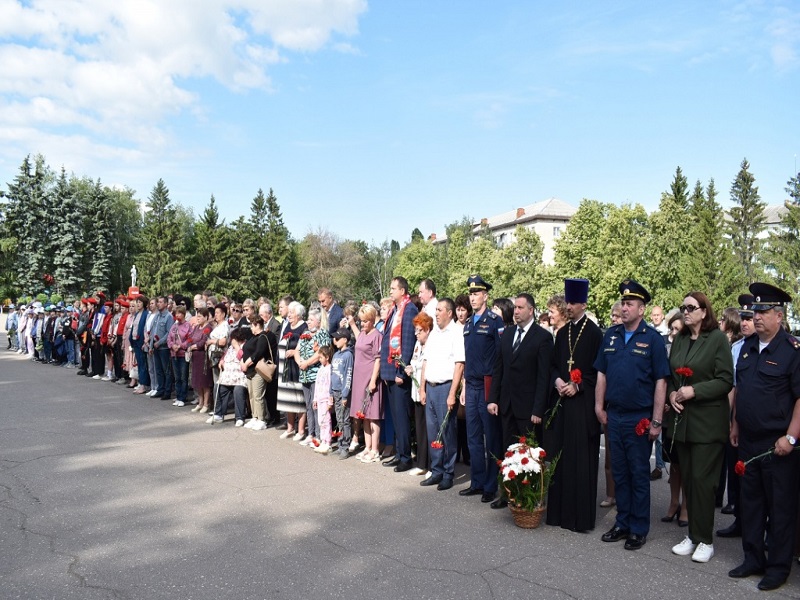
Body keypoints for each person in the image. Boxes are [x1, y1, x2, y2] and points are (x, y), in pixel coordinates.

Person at [729, 283, 800, 591]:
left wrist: (792, 437)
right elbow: (741, 391)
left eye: (763, 312)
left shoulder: (791, 350)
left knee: (780, 507)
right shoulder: (747, 347)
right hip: (748, 439)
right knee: (751, 503)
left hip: (777, 443)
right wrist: (735, 424)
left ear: (779, 316)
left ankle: (778, 566)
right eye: (754, 311)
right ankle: (753, 558)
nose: (756, 317)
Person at [595, 279, 670, 551]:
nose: (624, 308)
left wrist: (657, 420)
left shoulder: (653, 340)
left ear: (642, 309)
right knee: (620, 472)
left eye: (630, 304)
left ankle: (638, 528)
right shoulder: (611, 335)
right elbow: (601, 372)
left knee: (638, 475)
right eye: (623, 303)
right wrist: (598, 405)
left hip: (639, 417)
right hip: (614, 415)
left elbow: (661, 381)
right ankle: (622, 522)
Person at [667, 292, 734, 563]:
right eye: (683, 307)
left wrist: (695, 391)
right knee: (690, 481)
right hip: (683, 424)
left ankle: (705, 539)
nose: (686, 311)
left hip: (707, 423)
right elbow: (671, 375)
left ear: (704, 311)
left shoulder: (717, 339)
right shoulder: (681, 338)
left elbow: (725, 380)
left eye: (691, 307)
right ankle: (693, 535)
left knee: (704, 483)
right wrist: (673, 394)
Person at [545, 278, 603, 532]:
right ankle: (559, 514)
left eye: (573, 302)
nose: (568, 306)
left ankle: (579, 519)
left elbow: (597, 372)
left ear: (584, 304)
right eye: (567, 302)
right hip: (563, 403)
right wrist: (559, 380)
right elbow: (555, 364)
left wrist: (578, 385)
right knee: (562, 457)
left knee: (580, 460)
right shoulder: (562, 332)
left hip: (582, 404)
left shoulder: (593, 333)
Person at [487, 292, 554, 507]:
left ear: (531, 310)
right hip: (506, 405)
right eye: (514, 307)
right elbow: (499, 369)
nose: (515, 311)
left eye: (520, 308)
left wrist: (538, 409)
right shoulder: (507, 334)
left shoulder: (542, 337)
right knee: (508, 453)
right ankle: (507, 494)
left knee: (529, 454)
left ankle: (529, 496)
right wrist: (493, 399)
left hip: (528, 408)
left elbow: (543, 377)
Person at [459, 275, 504, 507]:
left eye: (477, 293)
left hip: (488, 386)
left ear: (485, 296)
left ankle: (490, 485)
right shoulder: (467, 324)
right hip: (472, 385)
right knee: (473, 439)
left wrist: (495, 392)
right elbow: (466, 359)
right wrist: (464, 385)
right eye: (471, 293)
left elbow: (500, 359)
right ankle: (477, 482)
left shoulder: (495, 322)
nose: (473, 297)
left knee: (491, 439)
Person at [717, 294, 756, 538]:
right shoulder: (737, 348)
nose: (745, 322)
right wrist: (729, 420)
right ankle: (739, 521)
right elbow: (731, 386)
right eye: (743, 317)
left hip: (762, 425)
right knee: (736, 470)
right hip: (737, 419)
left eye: (750, 317)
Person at [419, 298, 465, 491]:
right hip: (430, 387)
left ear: (450, 313)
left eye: (439, 310)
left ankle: (448, 473)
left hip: (445, 387)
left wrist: (452, 393)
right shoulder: (435, 333)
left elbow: (459, 364)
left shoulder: (456, 333)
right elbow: (426, 361)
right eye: (436, 310)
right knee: (433, 432)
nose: (436, 313)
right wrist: (422, 388)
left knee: (447, 432)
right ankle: (436, 470)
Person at [379, 276, 419, 473]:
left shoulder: (409, 309)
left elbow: (408, 342)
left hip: (399, 371)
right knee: (395, 416)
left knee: (402, 417)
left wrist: (402, 371)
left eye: (394, 288)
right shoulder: (395, 309)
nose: (391, 291)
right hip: (390, 371)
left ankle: (405, 457)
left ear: (403, 291)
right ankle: (399, 452)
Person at [350, 304, 384, 464]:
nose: (362, 324)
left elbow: (378, 358)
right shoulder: (363, 333)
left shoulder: (377, 335)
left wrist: (373, 380)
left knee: (373, 416)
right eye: (360, 321)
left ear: (371, 320)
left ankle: (375, 449)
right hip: (359, 378)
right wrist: (352, 324)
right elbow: (359, 341)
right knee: (362, 415)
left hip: (370, 378)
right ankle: (367, 447)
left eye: (364, 321)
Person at [296, 308, 330, 446]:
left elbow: (321, 352)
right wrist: (300, 362)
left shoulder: (322, 333)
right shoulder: (304, 333)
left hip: (316, 374)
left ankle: (319, 435)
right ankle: (311, 433)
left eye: (311, 320)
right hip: (304, 374)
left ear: (318, 321)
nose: (308, 322)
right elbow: (297, 350)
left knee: (316, 405)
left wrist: (307, 363)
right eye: (308, 319)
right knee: (309, 405)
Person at [406, 312, 433, 476]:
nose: (416, 334)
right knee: (420, 427)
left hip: (426, 390)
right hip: (415, 391)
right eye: (415, 330)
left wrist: (414, 367)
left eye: (419, 331)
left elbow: (425, 365)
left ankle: (431, 464)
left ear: (427, 329)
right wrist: (409, 367)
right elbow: (414, 360)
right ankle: (421, 463)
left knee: (429, 429)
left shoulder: (431, 344)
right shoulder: (418, 344)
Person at [207, 327, 251, 426]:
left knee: (238, 390)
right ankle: (218, 414)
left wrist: (237, 347)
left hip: (239, 377)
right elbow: (225, 356)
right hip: (227, 375)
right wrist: (222, 361)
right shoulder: (230, 347)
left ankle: (240, 417)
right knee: (218, 387)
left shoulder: (244, 346)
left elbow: (244, 357)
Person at [277, 301, 308, 439]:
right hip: (285, 367)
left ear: (299, 315)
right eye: (288, 312)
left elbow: (303, 345)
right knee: (288, 399)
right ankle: (290, 428)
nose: (288, 315)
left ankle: (301, 430)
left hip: (296, 367)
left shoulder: (304, 327)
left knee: (298, 399)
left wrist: (294, 351)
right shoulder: (288, 326)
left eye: (291, 313)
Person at [239, 316, 271, 430]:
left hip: (258, 370)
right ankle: (255, 416)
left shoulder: (262, 337)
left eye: (252, 325)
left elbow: (258, 353)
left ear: (257, 325)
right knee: (251, 395)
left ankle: (262, 419)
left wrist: (246, 363)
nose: (251, 328)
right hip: (249, 371)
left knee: (258, 396)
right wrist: (243, 362)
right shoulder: (253, 337)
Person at [331, 328, 354, 459]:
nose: (335, 341)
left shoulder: (348, 355)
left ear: (345, 340)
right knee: (339, 419)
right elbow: (332, 373)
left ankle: (345, 446)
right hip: (335, 391)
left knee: (345, 420)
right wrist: (330, 392)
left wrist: (345, 395)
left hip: (342, 392)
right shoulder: (336, 355)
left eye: (338, 338)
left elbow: (348, 376)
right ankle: (340, 444)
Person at [188, 308, 214, 413]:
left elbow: (203, 342)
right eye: (197, 316)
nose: (198, 318)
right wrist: (190, 346)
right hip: (195, 357)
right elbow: (190, 338)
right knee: (197, 381)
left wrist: (193, 346)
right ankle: (200, 402)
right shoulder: (196, 327)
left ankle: (206, 404)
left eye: (200, 316)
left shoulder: (208, 328)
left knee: (204, 381)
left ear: (206, 317)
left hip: (204, 357)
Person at [167, 305, 193, 406]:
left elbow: (190, 339)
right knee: (177, 377)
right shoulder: (174, 325)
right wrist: (172, 345)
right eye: (176, 313)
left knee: (183, 377)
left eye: (180, 313)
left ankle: (183, 397)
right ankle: (178, 396)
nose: (177, 315)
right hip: (174, 354)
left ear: (184, 314)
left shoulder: (188, 326)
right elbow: (169, 337)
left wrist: (181, 346)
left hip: (183, 354)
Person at [151, 296, 175, 400]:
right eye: (158, 302)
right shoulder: (157, 316)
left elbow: (169, 333)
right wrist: (152, 345)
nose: (158, 304)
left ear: (166, 304)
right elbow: (153, 331)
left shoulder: (168, 317)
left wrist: (160, 342)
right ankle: (160, 389)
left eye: (161, 302)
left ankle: (167, 391)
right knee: (158, 370)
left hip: (164, 348)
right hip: (156, 347)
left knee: (166, 370)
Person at [313, 345, 334, 454]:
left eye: (321, 357)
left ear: (327, 357)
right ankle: (322, 440)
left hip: (326, 399)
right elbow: (317, 384)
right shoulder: (320, 369)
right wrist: (315, 399)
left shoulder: (330, 369)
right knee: (320, 421)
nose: (319, 359)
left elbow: (331, 386)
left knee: (326, 420)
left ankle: (327, 442)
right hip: (320, 398)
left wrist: (330, 401)